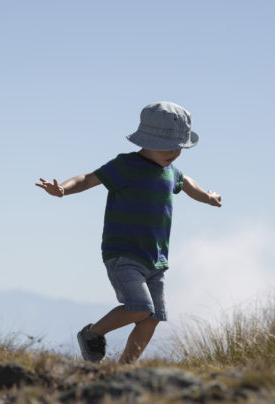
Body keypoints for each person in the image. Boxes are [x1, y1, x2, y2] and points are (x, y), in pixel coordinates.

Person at [35, 101, 221, 363]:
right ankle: (92, 333)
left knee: (152, 317)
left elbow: (187, 183)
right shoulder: (125, 165)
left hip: (156, 259)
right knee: (140, 308)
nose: (173, 153)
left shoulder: (170, 171)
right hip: (123, 253)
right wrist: (63, 189)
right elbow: (88, 178)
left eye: (178, 147)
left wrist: (207, 196)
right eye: (167, 147)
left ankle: (123, 370)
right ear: (146, 141)